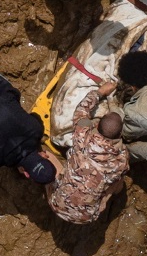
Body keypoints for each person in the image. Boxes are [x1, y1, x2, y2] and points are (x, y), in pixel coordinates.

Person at [46, 81, 129, 225]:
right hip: (87, 218)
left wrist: (101, 91)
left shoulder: (82, 133)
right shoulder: (121, 159)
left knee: (49, 156)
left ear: (97, 125)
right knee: (118, 181)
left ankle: (53, 191)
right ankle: (111, 197)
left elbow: (82, 108)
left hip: (56, 205)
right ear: (120, 133)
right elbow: (120, 169)